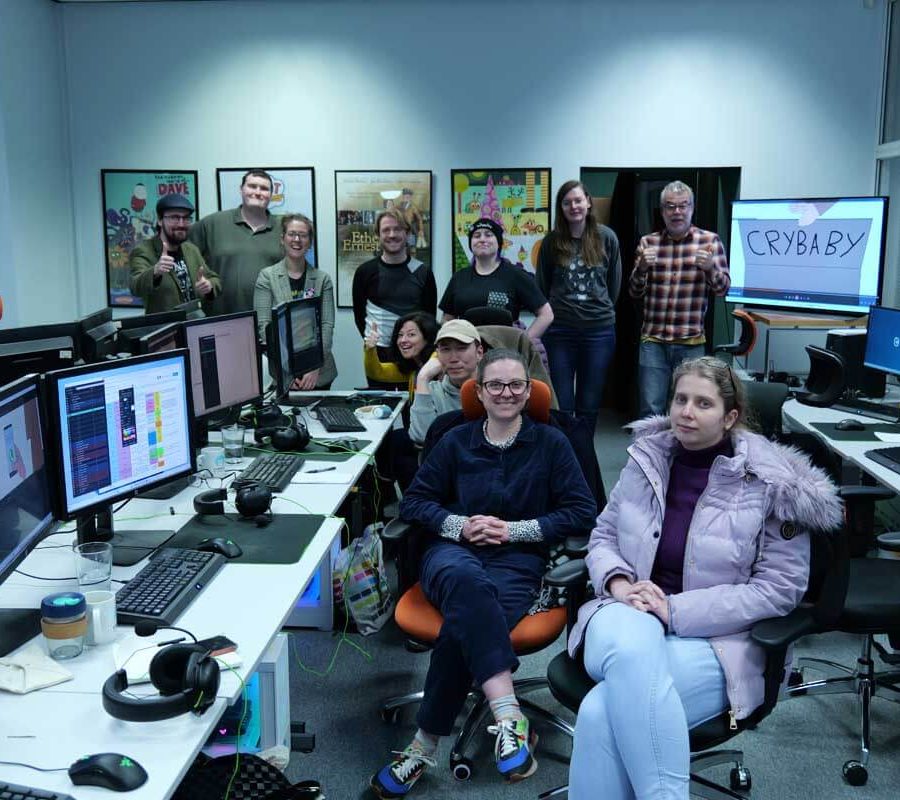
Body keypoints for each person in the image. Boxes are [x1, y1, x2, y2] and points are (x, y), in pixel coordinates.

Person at [565, 356, 842, 800]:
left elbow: (781, 589)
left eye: (703, 403)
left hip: (717, 642)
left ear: (730, 417)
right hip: (623, 613)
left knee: (600, 713)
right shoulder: (645, 460)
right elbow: (602, 536)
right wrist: (619, 585)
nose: (686, 412)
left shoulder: (772, 484)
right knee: (634, 648)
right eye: (680, 399)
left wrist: (674, 611)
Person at [371, 349, 596, 798]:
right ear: (480, 390)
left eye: (516, 385)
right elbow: (415, 502)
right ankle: (508, 713)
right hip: (451, 555)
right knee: (467, 585)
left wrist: (515, 529)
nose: (506, 393)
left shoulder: (551, 444)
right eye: (496, 385)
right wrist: (460, 524)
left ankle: (423, 745)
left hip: (518, 560)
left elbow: (581, 510)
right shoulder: (456, 440)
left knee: (464, 622)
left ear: (529, 392)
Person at [630, 181, 730, 417]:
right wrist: (642, 268)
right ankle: (649, 455)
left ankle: (682, 455)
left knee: (689, 410)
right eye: (670, 207)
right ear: (662, 211)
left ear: (691, 208)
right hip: (653, 340)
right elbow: (634, 292)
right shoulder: (648, 243)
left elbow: (723, 289)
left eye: (682, 206)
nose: (676, 212)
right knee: (650, 409)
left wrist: (709, 269)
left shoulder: (710, 242)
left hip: (691, 343)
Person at [535, 180, 621, 431]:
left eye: (578, 200)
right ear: (560, 208)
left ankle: (584, 460)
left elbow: (614, 285)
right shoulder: (551, 242)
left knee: (589, 404)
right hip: (560, 331)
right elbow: (542, 286)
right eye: (567, 202)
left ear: (588, 202)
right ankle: (565, 458)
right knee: (561, 403)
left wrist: (596, 309)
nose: (573, 206)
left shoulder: (607, 237)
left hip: (599, 331)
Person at [352, 209, 437, 387]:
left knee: (415, 408)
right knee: (380, 408)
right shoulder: (365, 272)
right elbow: (360, 316)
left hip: (416, 355)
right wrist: (373, 342)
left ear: (407, 233)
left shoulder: (423, 272)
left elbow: (429, 317)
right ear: (378, 235)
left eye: (398, 229)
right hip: (378, 353)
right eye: (386, 230)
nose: (392, 235)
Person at [253, 214, 336, 390]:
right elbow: (264, 327)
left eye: (303, 235)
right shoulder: (267, 277)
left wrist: (315, 366)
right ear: (282, 239)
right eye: (291, 234)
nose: (297, 240)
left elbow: (327, 325)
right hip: (282, 373)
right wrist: (287, 372)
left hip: (318, 374)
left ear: (310, 242)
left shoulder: (322, 280)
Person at [440, 218, 553, 342]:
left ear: (499, 242)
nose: (482, 239)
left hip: (503, 352)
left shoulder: (515, 275)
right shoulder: (459, 277)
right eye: (477, 236)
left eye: (488, 235)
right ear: (471, 243)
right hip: (466, 351)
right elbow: (447, 318)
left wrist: (522, 343)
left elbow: (546, 314)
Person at [189, 169, 283, 314]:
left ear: (271, 195)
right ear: (241, 190)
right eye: (252, 186)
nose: (258, 192)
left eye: (264, 189)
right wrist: (199, 283)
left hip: (270, 319)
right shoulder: (212, 224)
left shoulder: (283, 228)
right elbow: (183, 254)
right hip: (220, 319)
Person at [129, 194, 221, 313]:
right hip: (165, 328)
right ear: (160, 220)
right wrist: (155, 272)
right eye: (174, 218)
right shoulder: (144, 250)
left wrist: (209, 285)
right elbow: (135, 287)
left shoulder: (191, 249)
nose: (181, 224)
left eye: (186, 218)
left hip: (194, 325)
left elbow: (214, 278)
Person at [408, 319, 483, 446]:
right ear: (437, 355)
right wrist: (422, 378)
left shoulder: (495, 388)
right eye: (446, 349)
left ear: (479, 352)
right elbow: (422, 437)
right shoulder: (430, 390)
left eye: (461, 348)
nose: (453, 358)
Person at [364, 312, 439, 398]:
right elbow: (377, 373)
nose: (403, 340)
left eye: (411, 334)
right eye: (400, 335)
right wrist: (370, 349)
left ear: (428, 337)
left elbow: (438, 355)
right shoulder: (413, 367)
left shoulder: (440, 360)